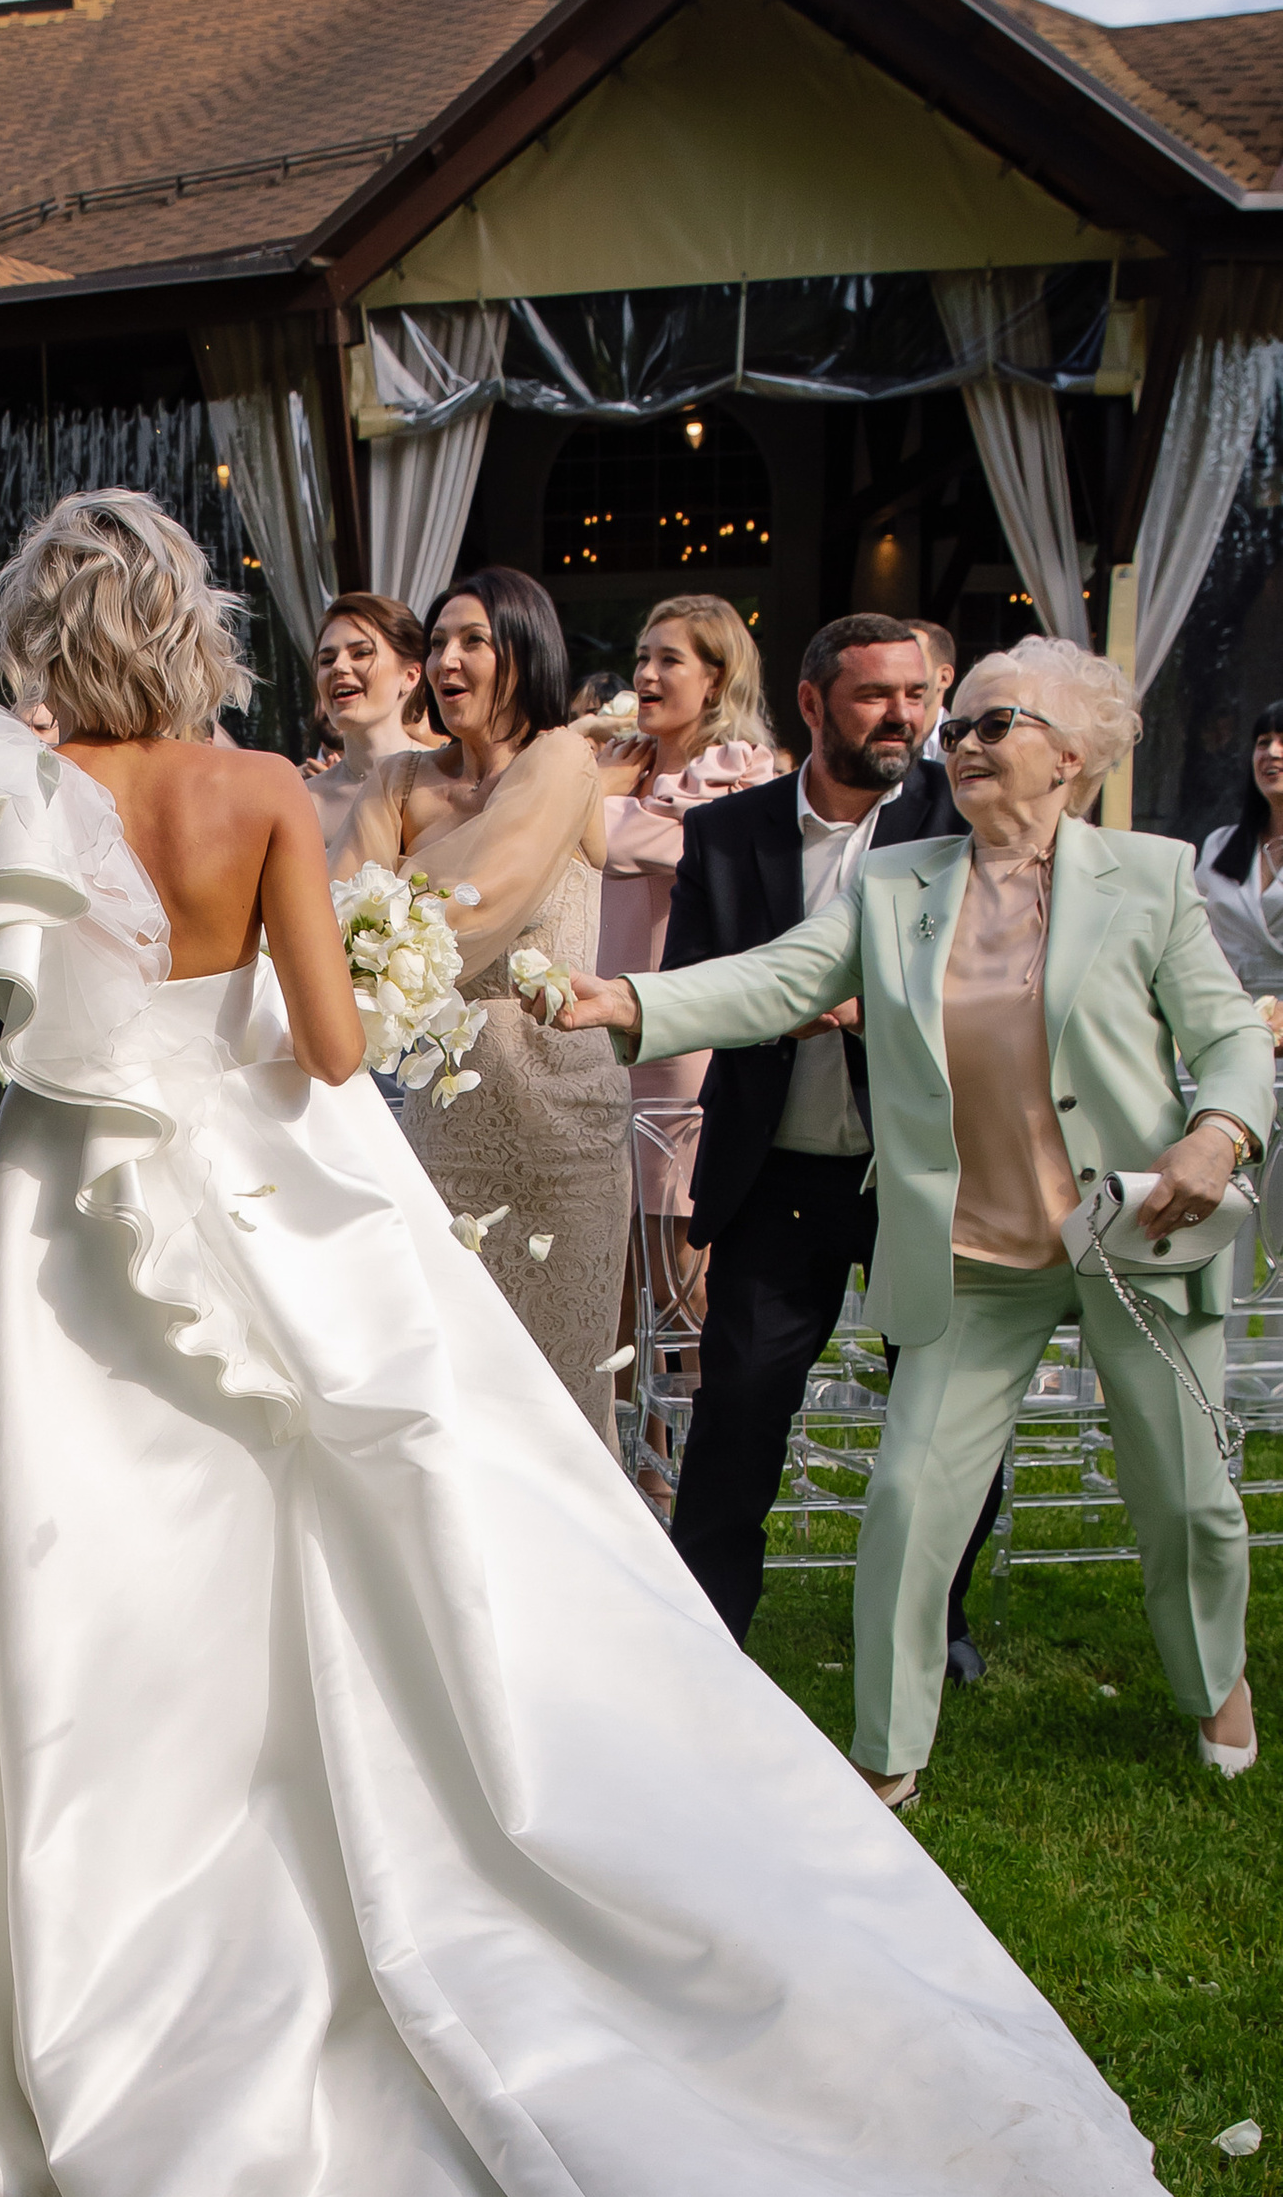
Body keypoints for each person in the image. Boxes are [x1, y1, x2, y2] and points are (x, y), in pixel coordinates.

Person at [0, 490, 1169, 2197]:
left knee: (68, 1590)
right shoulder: (259, 803)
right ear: (185, 626)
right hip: (269, 1213)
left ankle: (50, 2001)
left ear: (44, 633)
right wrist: (354, 955)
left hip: (62, 1248)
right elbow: (317, 1048)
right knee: (361, 1567)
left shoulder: (8, 803)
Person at [561, 637, 1273, 1800]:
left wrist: (1219, 1131)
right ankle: (887, 1755)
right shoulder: (900, 882)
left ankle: (1212, 1683)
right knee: (904, 1499)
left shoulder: (1146, 877)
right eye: (964, 725)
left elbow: (1230, 1034)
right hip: (974, 1255)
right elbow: (779, 977)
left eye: (996, 724)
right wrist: (632, 999)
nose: (964, 741)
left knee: (1184, 1496)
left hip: (1128, 1236)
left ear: (1071, 757)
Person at [649, 611, 995, 1658]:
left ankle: (941, 1622)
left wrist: (866, 1006)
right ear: (811, 704)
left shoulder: (963, 824)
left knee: (943, 1420)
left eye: (917, 695)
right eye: (873, 696)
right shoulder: (727, 833)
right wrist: (774, 1000)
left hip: (921, 1176)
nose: (903, 716)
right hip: (775, 1174)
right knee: (739, 1413)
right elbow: (695, 986)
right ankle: (708, 1635)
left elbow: (993, 988)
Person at [354, 568, 631, 1441]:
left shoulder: (564, 759)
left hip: (564, 1127)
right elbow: (339, 929)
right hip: (441, 1124)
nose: (448, 659)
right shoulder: (398, 781)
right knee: (452, 1391)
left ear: (525, 650)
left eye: (473, 639)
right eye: (437, 643)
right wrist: (370, 905)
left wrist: (390, 885)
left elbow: (484, 901)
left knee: (562, 1394)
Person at [594, 597, 782, 1264]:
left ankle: (693, 1378)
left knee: (681, 1268)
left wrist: (590, 799)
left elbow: (621, 843)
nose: (645, 674)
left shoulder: (740, 769)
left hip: (681, 1046)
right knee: (605, 1266)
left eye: (668, 659)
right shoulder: (620, 762)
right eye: (642, 657)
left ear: (717, 678)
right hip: (595, 1039)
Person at [304, 591, 427, 868]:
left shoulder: (446, 782)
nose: (339, 667)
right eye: (327, 660)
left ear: (410, 675)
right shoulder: (306, 801)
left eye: (361, 653)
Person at [1194, 698, 1283, 997]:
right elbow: (1188, 936)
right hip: (1228, 1020)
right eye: (1263, 742)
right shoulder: (1219, 845)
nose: (1271, 752)